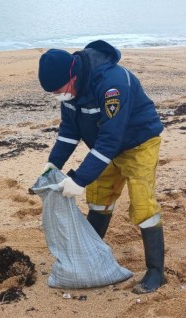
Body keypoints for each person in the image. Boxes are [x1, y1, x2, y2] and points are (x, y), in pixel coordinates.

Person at [38, 41, 165, 294]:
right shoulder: (71, 90)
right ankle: (90, 256)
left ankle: (156, 272)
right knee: (98, 199)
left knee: (143, 205)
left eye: (59, 91)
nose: (58, 96)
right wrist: (52, 164)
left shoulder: (112, 84)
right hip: (104, 146)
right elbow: (69, 131)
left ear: (72, 75)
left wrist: (79, 179)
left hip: (138, 142)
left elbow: (111, 138)